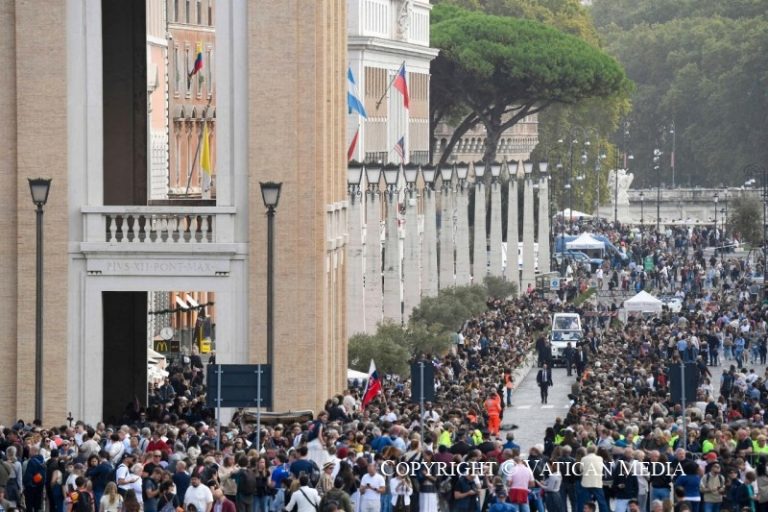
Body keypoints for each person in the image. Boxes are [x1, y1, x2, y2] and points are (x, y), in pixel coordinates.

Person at [24, 445, 47, 512]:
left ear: (33, 451)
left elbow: (28, 475)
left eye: (30, 450)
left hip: (31, 487)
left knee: (29, 506)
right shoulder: (42, 461)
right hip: (40, 486)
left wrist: (26, 483)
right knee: (37, 506)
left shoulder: (32, 461)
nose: (29, 452)